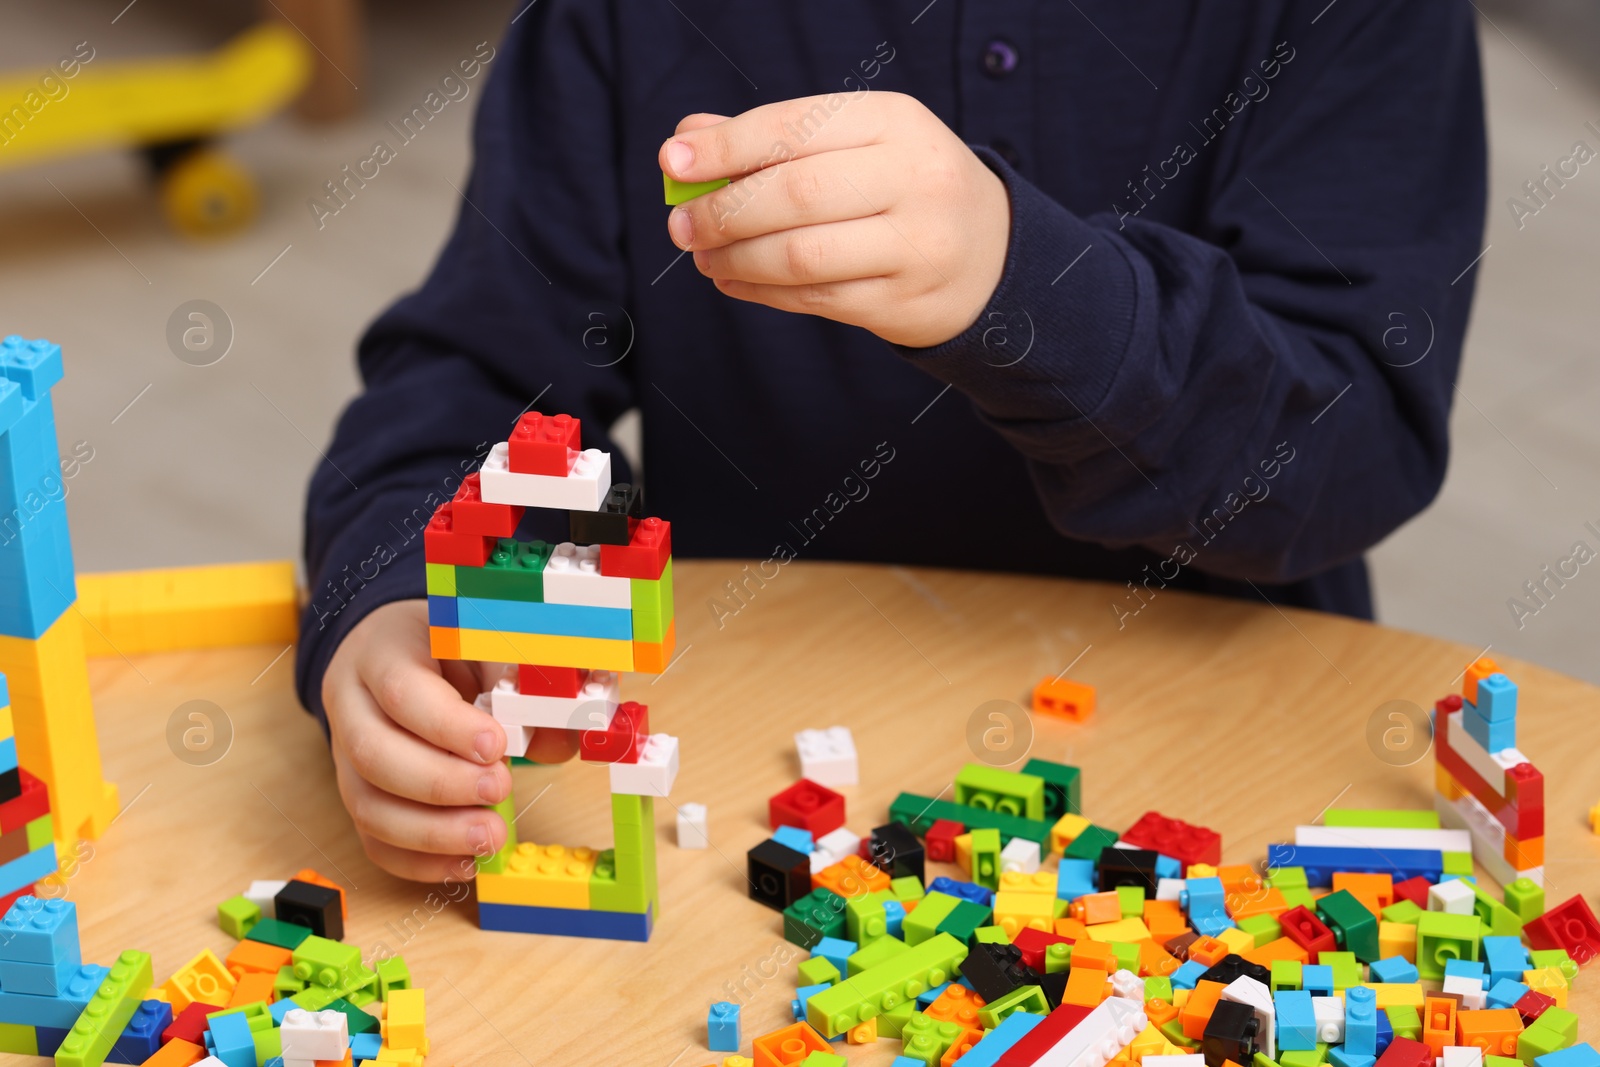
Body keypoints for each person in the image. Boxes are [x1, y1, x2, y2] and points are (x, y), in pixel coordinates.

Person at [298, 1, 1486, 880]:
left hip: (1247, 786)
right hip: (759, 809)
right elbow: (469, 387)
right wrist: (396, 603)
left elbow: (1351, 444)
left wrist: (1025, 284)